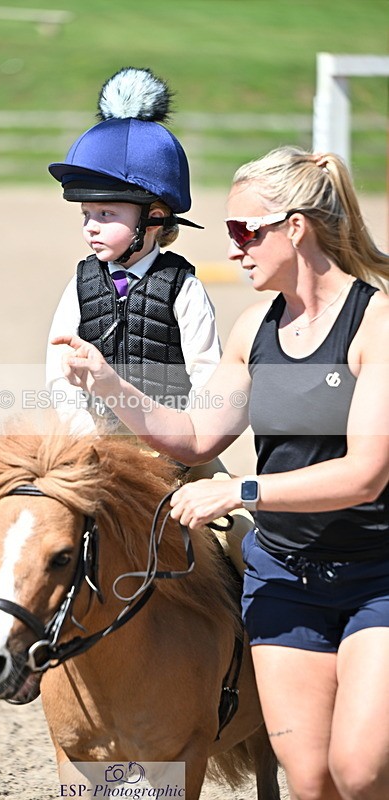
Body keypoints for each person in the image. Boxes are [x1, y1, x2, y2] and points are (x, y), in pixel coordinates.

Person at [53, 145, 389, 800]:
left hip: (376, 576)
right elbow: (194, 435)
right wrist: (109, 382)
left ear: (293, 227)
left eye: (244, 231)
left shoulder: (374, 325)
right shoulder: (251, 329)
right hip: (284, 580)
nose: (232, 248)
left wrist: (238, 490)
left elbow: (365, 476)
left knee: (361, 771)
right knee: (313, 781)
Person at [45, 66, 222, 434]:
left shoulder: (182, 288)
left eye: (106, 214)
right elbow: (58, 370)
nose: (90, 226)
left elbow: (207, 375)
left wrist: (185, 442)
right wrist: (85, 437)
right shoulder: (82, 283)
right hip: (92, 439)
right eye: (86, 213)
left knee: (218, 491)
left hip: (171, 445)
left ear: (153, 218)